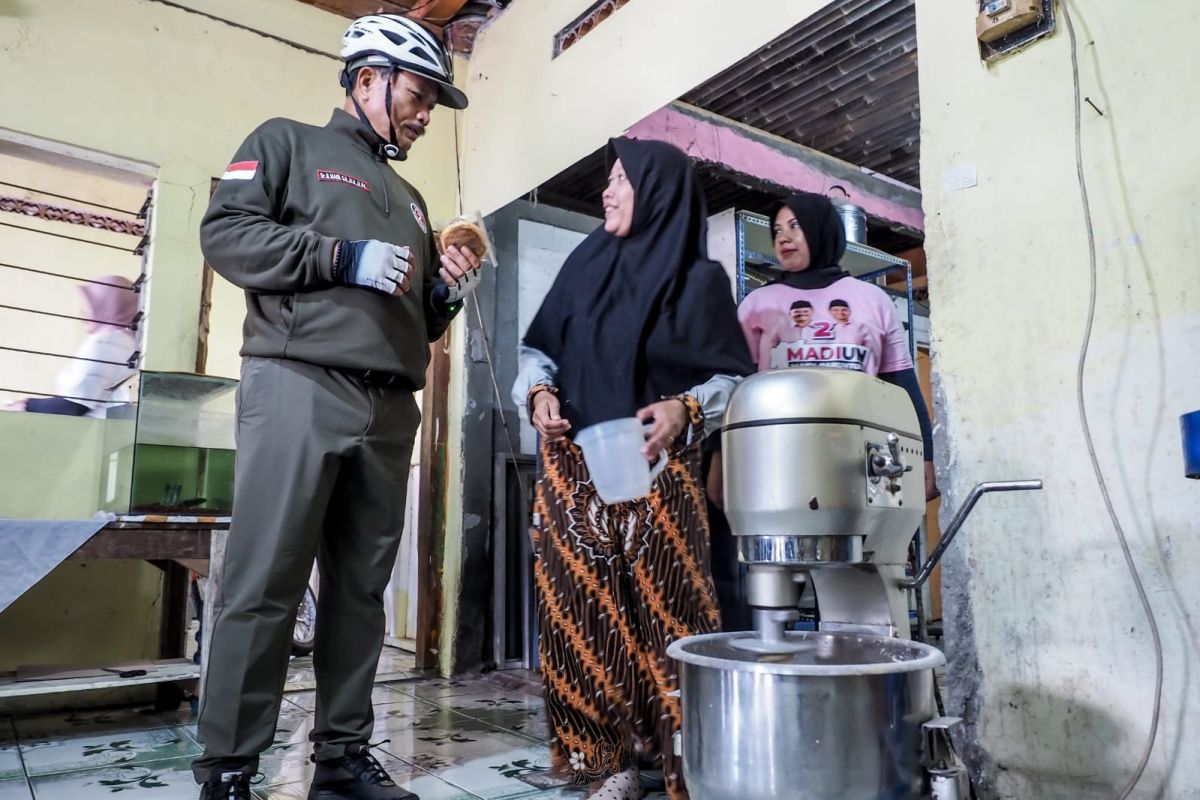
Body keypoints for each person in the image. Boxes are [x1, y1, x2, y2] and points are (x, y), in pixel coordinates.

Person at [191, 14, 479, 800]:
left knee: (358, 589)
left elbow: (413, 318)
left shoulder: (415, 200)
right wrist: (339, 255)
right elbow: (226, 236)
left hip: (389, 409)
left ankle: (342, 760)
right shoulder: (288, 144)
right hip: (299, 385)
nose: (424, 116)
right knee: (266, 579)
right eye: (418, 97)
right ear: (366, 80)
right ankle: (229, 767)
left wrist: (443, 295)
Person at [513, 138, 755, 800]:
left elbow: (733, 378)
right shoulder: (585, 264)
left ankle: (685, 761)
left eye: (621, 180)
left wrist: (683, 408)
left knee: (671, 612)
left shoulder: (699, 280)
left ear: (660, 193)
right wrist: (538, 395)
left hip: (660, 470)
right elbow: (539, 350)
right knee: (580, 612)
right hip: (574, 465)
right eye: (608, 181)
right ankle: (605, 761)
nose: (606, 191)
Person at [727, 191, 937, 501]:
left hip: (862, 458)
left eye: (795, 226)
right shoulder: (756, 305)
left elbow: (902, 386)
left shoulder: (872, 300)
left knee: (866, 545)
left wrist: (925, 455)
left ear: (821, 229)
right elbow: (734, 390)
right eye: (777, 230)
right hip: (777, 457)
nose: (783, 237)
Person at [3, 276, 138, 416]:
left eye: (91, 306)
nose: (84, 315)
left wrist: (26, 405)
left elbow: (75, 404)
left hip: (94, 432)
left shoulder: (105, 343)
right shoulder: (128, 342)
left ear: (107, 307)